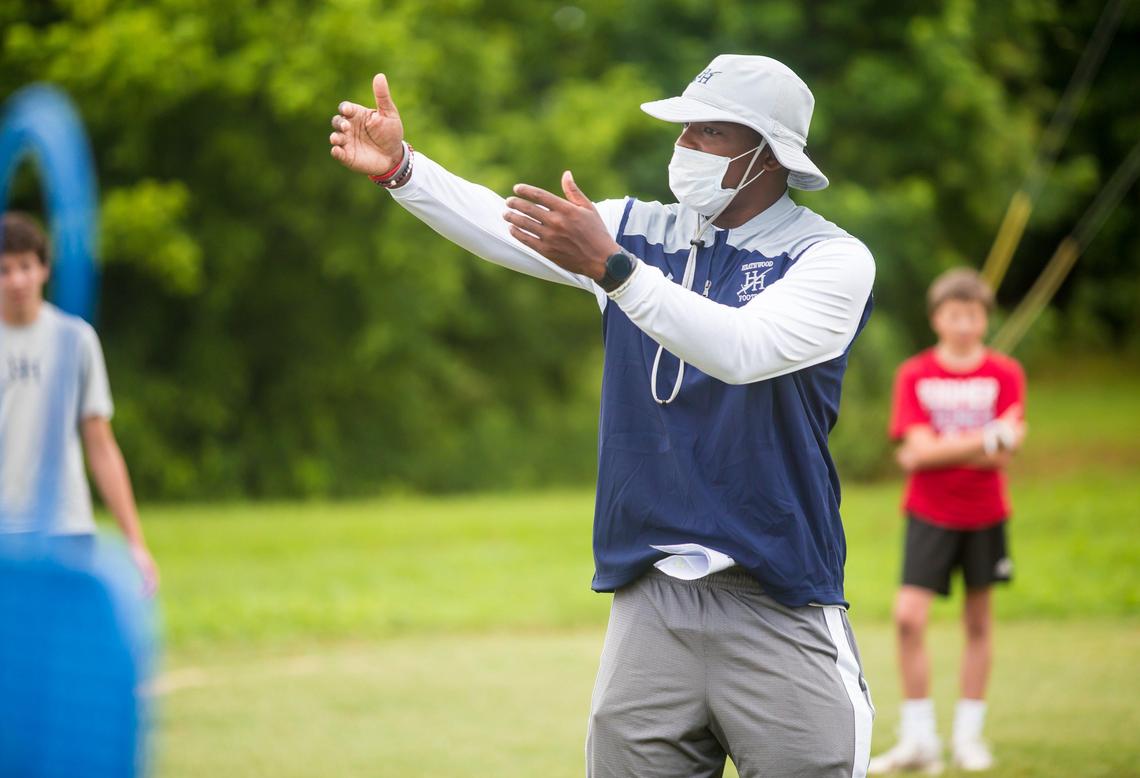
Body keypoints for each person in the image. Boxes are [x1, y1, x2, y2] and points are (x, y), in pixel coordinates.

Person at [331, 54, 876, 777]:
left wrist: (614, 271)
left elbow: (745, 348)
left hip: (779, 595)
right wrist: (403, 170)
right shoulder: (633, 232)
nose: (684, 149)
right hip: (648, 600)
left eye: (709, 134)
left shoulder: (831, 259)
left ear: (768, 155)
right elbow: (500, 224)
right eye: (682, 132)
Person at [869, 268, 1026, 774]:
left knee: (978, 623)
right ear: (937, 318)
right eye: (954, 314)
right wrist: (987, 438)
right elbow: (915, 451)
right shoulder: (915, 374)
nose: (964, 324)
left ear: (986, 318)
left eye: (974, 314)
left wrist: (938, 452)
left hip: (985, 514)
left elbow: (1002, 457)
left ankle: (968, 738)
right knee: (908, 618)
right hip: (929, 514)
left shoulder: (1005, 373)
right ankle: (919, 740)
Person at [0, 211, 158, 595]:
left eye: (25, 266)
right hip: (5, 530)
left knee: (57, 651)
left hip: (65, 526)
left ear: (44, 269)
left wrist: (134, 543)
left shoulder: (75, 340)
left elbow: (100, 445)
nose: (17, 279)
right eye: (4, 270)